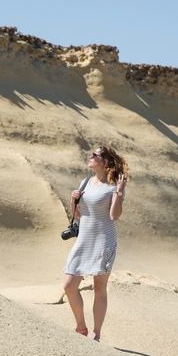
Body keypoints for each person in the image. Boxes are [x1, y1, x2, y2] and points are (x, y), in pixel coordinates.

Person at [62, 144, 129, 342]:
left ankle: (96, 333)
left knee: (99, 288)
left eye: (95, 155)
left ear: (106, 162)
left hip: (103, 240)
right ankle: (81, 327)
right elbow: (78, 215)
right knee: (68, 286)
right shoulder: (85, 182)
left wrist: (120, 193)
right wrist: (72, 200)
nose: (90, 156)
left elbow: (114, 216)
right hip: (84, 239)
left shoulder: (114, 185)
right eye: (91, 153)